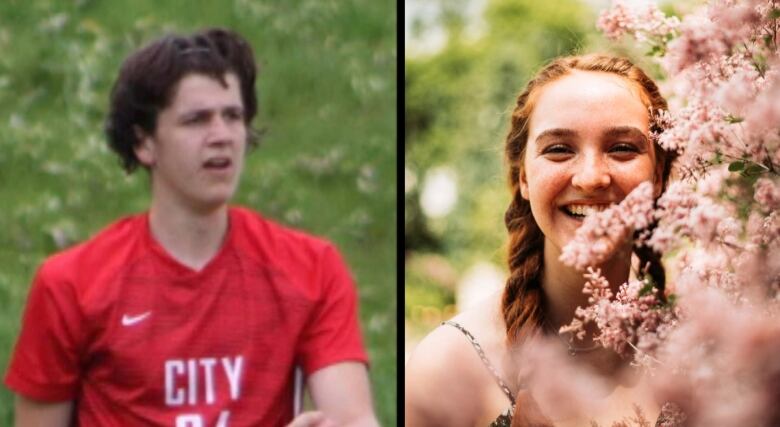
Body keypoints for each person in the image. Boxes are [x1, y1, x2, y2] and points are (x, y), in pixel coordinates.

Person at [4, 27, 379, 427]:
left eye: (233, 116)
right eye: (196, 120)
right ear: (144, 143)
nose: (222, 137)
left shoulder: (310, 268)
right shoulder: (70, 285)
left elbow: (351, 420)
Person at [405, 54, 676, 426]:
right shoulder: (448, 368)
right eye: (559, 149)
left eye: (622, 148)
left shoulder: (714, 354)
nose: (591, 178)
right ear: (525, 178)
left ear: (658, 173)